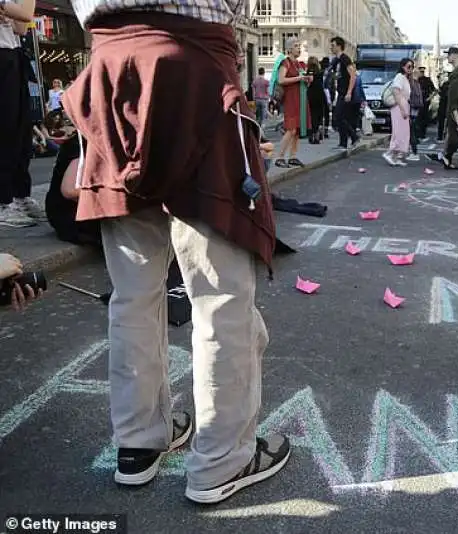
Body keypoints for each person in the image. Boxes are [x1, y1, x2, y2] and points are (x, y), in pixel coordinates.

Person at [60, 0, 291, 505]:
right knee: (219, 297)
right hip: (193, 70)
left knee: (133, 295)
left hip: (113, 72)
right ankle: (221, 459)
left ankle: (139, 441)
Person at [0, 0, 46, 227]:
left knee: (21, 129)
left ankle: (19, 195)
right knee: (5, 129)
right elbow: (26, 14)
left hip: (12, 52)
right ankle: (3, 201)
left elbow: (20, 25)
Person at [273, 38, 312, 168]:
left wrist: (307, 79)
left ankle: (293, 156)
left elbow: (303, 80)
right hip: (291, 99)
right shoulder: (286, 62)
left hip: (301, 98)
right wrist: (299, 78)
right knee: (291, 128)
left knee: (297, 128)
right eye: (296, 46)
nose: (299, 48)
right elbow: (281, 79)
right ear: (289, 48)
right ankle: (279, 157)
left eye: (299, 46)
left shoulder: (300, 64)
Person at [330, 36, 359, 150]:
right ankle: (343, 142)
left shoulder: (345, 58)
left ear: (339, 46)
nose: (331, 48)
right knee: (341, 117)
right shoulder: (336, 60)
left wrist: (349, 92)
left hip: (345, 93)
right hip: (340, 92)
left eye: (333, 45)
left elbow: (353, 75)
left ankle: (353, 137)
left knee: (338, 117)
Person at [383, 58, 413, 167]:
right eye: (408, 66)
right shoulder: (399, 77)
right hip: (398, 107)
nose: (410, 69)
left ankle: (397, 157)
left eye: (412, 67)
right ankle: (389, 153)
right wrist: (402, 109)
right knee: (399, 131)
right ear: (402, 66)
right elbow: (396, 93)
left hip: (403, 106)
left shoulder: (405, 78)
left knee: (404, 132)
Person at [306, 56, 326, 144]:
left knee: (312, 114)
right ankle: (318, 134)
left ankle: (313, 134)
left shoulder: (309, 71)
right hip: (320, 93)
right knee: (319, 115)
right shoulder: (320, 71)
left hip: (311, 94)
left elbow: (309, 81)